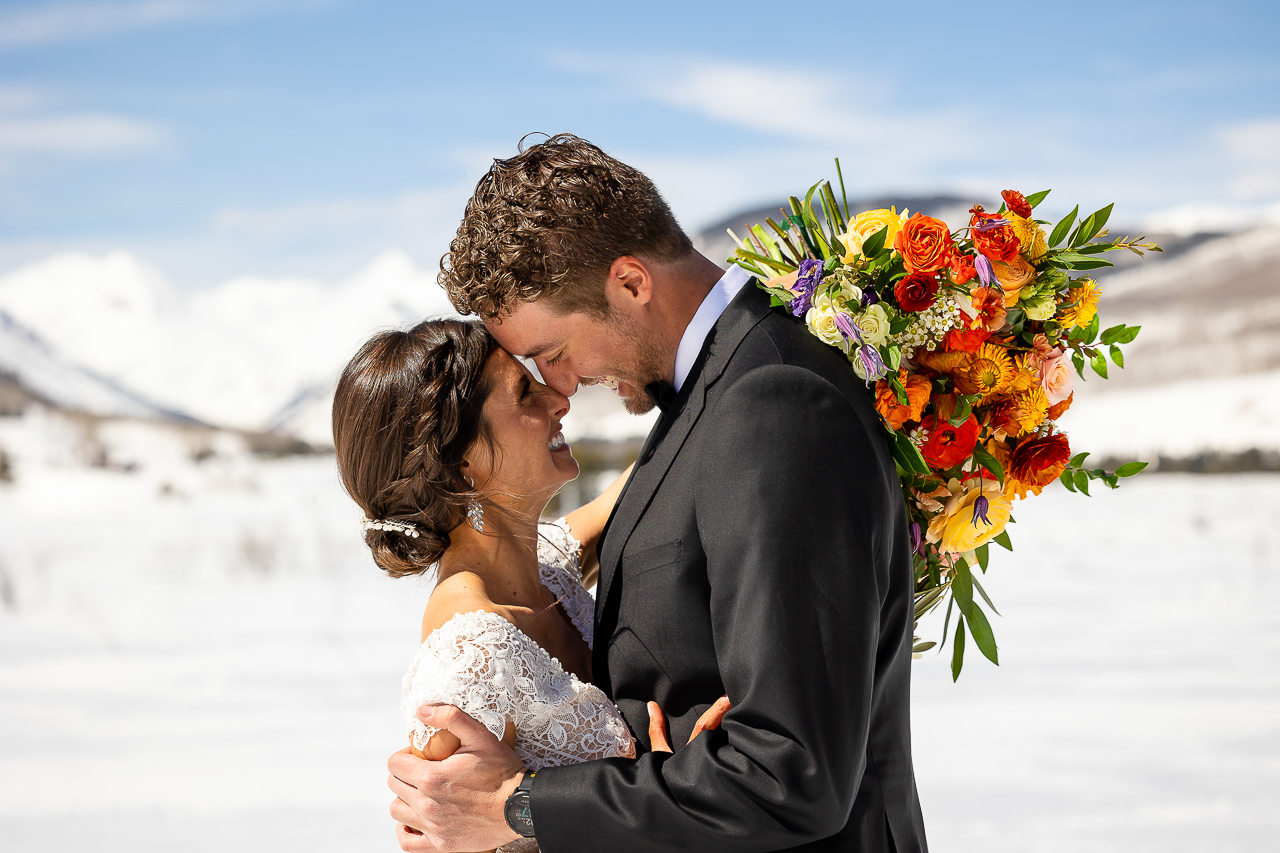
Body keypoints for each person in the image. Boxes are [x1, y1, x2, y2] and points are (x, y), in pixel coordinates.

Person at [387, 134, 928, 853]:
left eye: (553, 352)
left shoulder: (774, 404)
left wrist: (520, 805)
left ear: (632, 283)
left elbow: (790, 772)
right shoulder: (709, 395)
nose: (564, 383)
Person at [332, 319, 730, 852]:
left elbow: (659, 470)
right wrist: (659, 803)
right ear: (462, 466)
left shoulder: (548, 569)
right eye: (524, 392)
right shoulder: (468, 658)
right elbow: (446, 834)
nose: (558, 399)